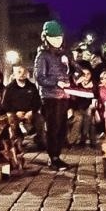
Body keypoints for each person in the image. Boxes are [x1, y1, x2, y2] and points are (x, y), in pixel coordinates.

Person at [33, 20, 73, 170]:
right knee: (53, 128)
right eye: (54, 38)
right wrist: (57, 82)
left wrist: (75, 78)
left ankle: (58, 155)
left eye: (60, 38)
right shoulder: (42, 56)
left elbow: (68, 72)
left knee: (62, 128)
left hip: (64, 96)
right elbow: (40, 78)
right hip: (50, 97)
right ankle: (53, 157)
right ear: (46, 38)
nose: (58, 41)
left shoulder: (62, 55)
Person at [1, 62, 41, 148]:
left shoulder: (32, 87)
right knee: (12, 121)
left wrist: (31, 111)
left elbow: (38, 102)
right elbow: (5, 104)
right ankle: (17, 140)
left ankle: (40, 140)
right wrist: (16, 112)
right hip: (15, 113)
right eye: (19, 72)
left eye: (24, 72)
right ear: (14, 74)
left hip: (29, 112)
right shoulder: (9, 88)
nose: (22, 74)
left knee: (40, 120)